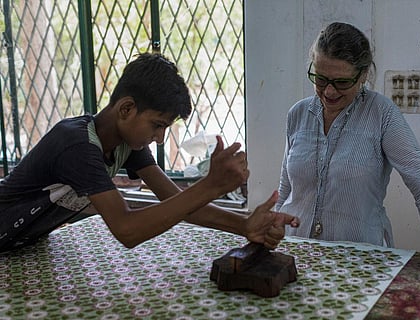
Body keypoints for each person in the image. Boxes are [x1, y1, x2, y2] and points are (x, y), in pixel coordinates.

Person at [0, 52, 299, 253]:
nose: (159, 138)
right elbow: (127, 231)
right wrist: (210, 185)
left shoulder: (126, 143)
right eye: (157, 125)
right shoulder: (76, 145)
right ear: (126, 108)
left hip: (23, 246)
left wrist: (244, 225)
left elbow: (177, 201)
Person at [275, 22, 420, 289]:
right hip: (297, 254)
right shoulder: (298, 114)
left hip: (360, 261)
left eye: (342, 82)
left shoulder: (381, 114)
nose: (329, 91)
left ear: (363, 75)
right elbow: (287, 186)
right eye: (320, 79)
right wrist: (274, 226)